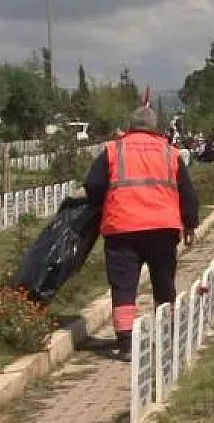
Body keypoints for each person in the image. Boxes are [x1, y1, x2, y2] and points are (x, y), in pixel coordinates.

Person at [83, 106, 200, 362]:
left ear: (130, 125)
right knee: (163, 282)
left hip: (122, 227)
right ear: (155, 127)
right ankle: (166, 334)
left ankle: (125, 344)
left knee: (124, 285)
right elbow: (187, 192)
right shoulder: (170, 153)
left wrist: (102, 204)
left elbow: (93, 185)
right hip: (163, 228)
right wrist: (190, 223)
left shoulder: (113, 150)